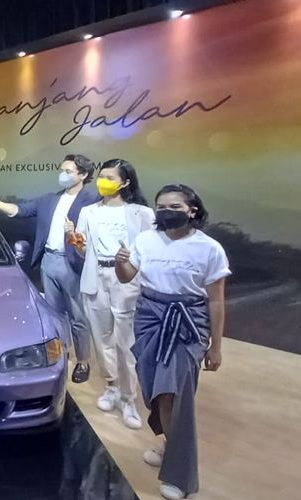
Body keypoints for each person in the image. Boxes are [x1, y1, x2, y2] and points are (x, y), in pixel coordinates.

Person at [114, 184, 229, 500]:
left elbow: (216, 301)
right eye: (161, 206)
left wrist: (216, 347)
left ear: (192, 210)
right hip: (150, 318)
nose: (167, 212)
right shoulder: (146, 240)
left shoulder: (209, 249)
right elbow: (127, 276)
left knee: (174, 397)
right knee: (154, 390)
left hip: (187, 325)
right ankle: (170, 444)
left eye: (175, 207)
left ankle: (180, 476)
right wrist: (120, 261)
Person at [0, 154, 99, 383]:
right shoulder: (50, 199)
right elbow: (21, 210)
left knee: (78, 315)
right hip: (49, 260)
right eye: (62, 170)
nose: (62, 175)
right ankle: (61, 355)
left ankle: (83, 361)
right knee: (55, 315)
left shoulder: (92, 201)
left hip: (74, 262)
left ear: (83, 175)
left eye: (68, 171)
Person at [68, 159, 153, 429]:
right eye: (101, 176)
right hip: (96, 277)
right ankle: (111, 387)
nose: (103, 181)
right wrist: (75, 240)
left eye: (110, 177)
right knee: (102, 338)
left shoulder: (142, 214)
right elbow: (83, 249)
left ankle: (129, 398)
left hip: (126, 280)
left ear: (125, 182)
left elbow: (150, 250)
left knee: (126, 343)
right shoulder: (89, 212)